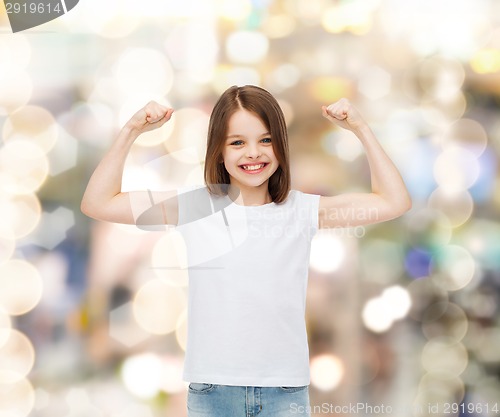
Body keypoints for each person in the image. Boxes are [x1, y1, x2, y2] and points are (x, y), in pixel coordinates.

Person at [81, 85, 411, 417]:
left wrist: (361, 129)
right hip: (213, 391)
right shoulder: (195, 206)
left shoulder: (302, 210)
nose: (253, 153)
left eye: (265, 140)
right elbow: (98, 203)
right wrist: (131, 130)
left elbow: (394, 201)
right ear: (219, 151)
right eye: (237, 142)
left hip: (285, 392)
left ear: (281, 146)